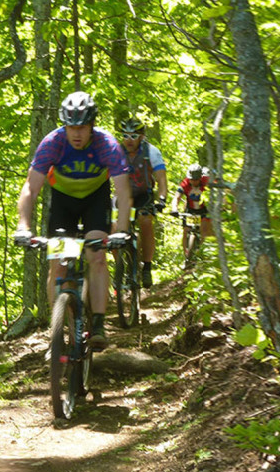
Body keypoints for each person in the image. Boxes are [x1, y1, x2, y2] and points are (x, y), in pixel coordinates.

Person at [14, 91, 132, 351]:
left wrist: (121, 230)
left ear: (92, 126)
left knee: (96, 255)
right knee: (58, 265)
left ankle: (99, 325)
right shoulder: (53, 143)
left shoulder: (107, 145)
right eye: (71, 127)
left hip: (95, 201)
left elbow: (123, 192)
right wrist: (23, 226)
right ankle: (60, 330)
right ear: (64, 126)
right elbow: (30, 188)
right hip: (64, 203)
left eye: (82, 127)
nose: (76, 133)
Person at [117, 118, 168, 288]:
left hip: (143, 195)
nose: (128, 140)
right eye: (125, 135)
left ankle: (147, 266)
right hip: (123, 196)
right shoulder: (116, 152)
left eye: (133, 136)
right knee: (112, 227)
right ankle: (121, 266)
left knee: (145, 220)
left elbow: (161, 179)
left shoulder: (151, 152)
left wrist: (162, 199)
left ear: (141, 136)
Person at [170, 163, 214, 257]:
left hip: (204, 210)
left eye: (196, 179)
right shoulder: (185, 183)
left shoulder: (206, 182)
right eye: (191, 179)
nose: (193, 181)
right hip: (190, 210)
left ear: (200, 177)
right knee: (186, 230)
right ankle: (186, 256)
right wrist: (174, 208)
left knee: (204, 231)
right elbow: (177, 197)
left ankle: (200, 254)